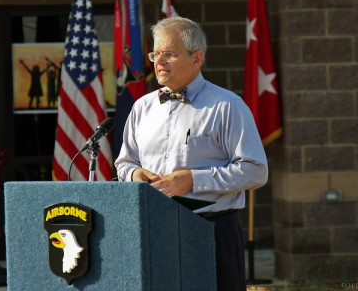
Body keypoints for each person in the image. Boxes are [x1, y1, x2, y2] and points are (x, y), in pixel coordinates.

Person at [114, 16, 268, 291]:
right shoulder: (142, 107)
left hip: (210, 229)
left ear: (197, 58)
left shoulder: (227, 106)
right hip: (154, 229)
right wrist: (135, 174)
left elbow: (255, 170)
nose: (159, 62)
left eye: (169, 54)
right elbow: (125, 163)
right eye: (156, 54)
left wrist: (194, 181)